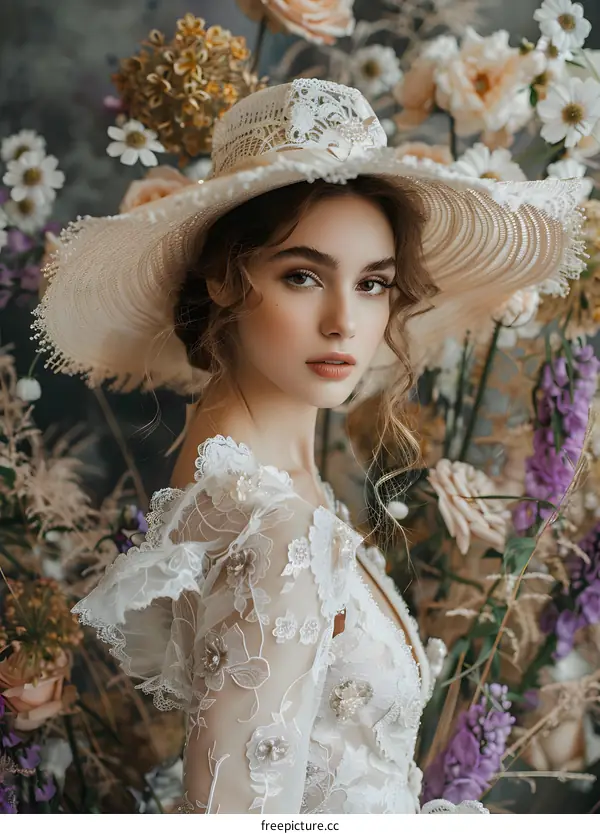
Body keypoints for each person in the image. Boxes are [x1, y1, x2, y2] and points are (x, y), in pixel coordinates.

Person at [33, 79, 583, 814]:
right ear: (223, 281)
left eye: (373, 284)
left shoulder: (268, 491)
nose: (344, 323)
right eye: (302, 275)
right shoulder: (276, 528)